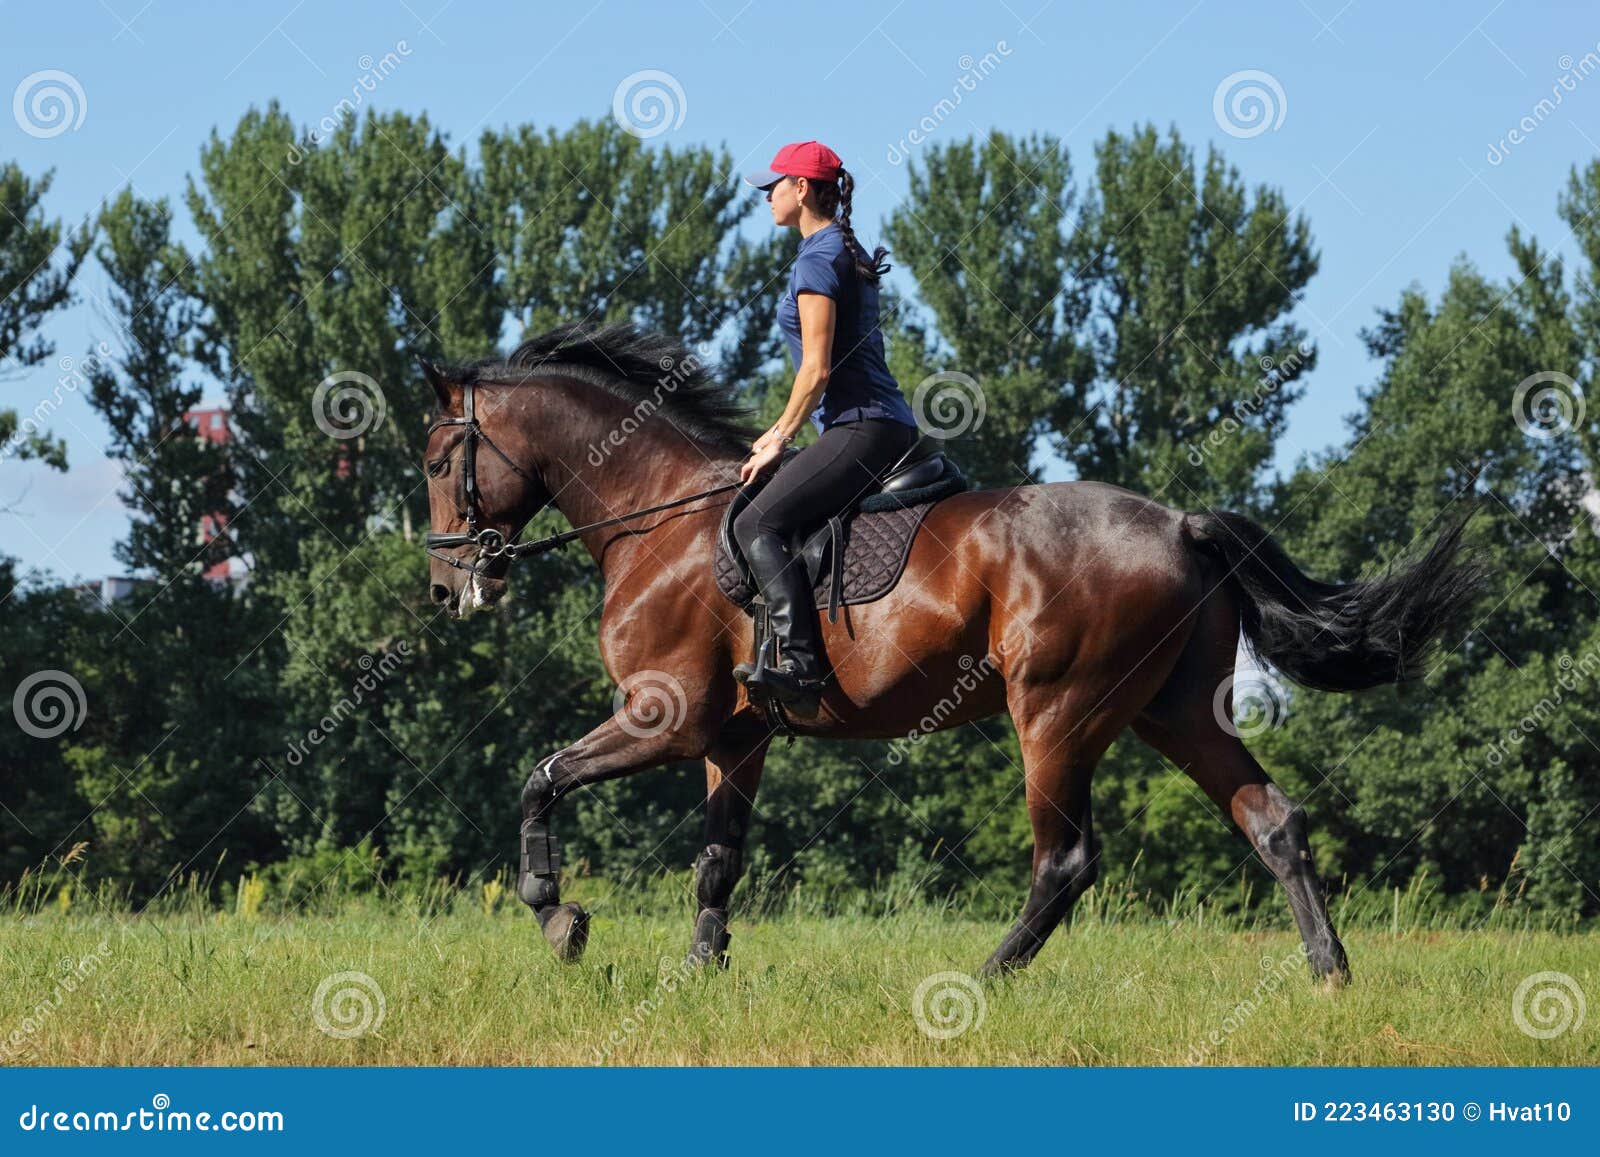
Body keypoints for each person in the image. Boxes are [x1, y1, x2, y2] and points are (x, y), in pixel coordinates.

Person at [732, 140, 921, 711]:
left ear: (803, 189)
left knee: (756, 524)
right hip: (879, 424)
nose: (767, 196)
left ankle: (803, 669)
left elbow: (815, 369)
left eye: (775, 185)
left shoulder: (817, 258)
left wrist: (777, 439)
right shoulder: (841, 247)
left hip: (862, 428)